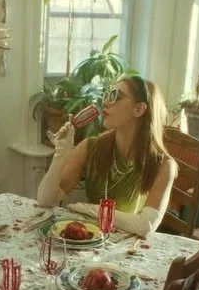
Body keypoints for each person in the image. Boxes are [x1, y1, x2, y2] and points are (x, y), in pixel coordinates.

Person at [36, 75, 178, 238]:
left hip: (127, 248)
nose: (105, 102)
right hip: (89, 239)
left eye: (115, 95)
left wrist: (87, 209)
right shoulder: (90, 147)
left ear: (138, 109)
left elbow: (145, 225)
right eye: (106, 94)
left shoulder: (164, 165)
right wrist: (61, 153)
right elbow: (45, 201)